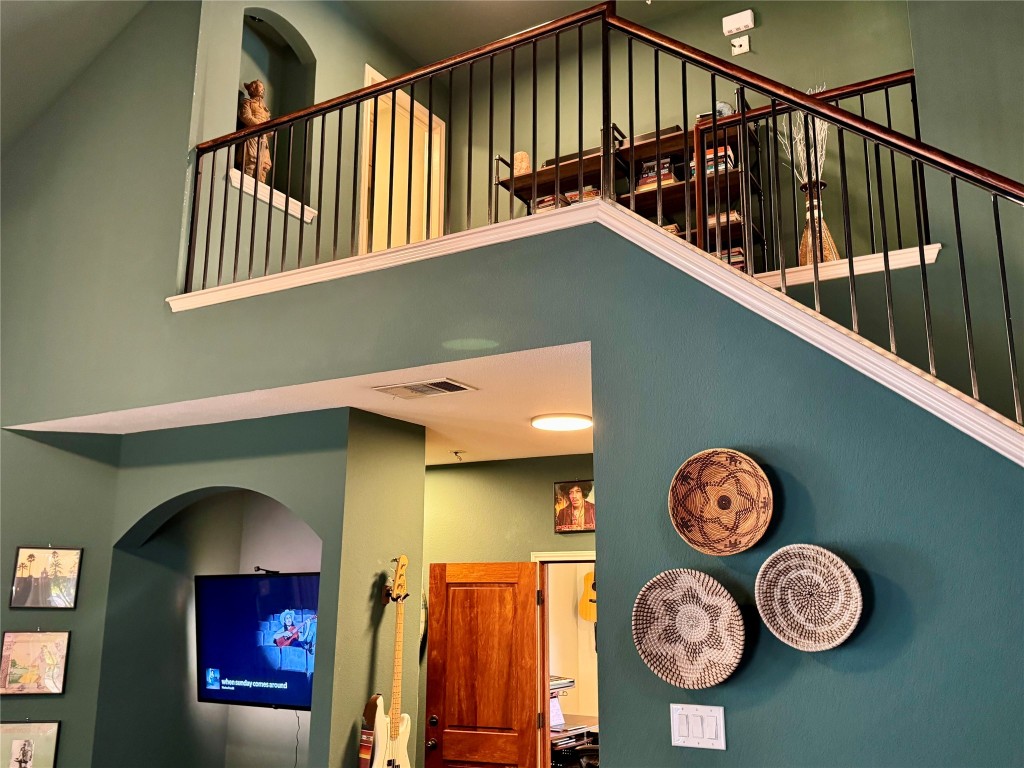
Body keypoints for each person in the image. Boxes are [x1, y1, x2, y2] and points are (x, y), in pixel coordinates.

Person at [239, 79, 272, 183]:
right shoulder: (248, 103)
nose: (262, 89)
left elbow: (271, 130)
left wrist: (269, 129)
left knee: (263, 167)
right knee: (251, 163)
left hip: (263, 141)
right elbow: (246, 117)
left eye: (262, 87)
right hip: (252, 137)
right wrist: (262, 126)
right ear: (253, 89)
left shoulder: (265, 110)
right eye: (259, 86)